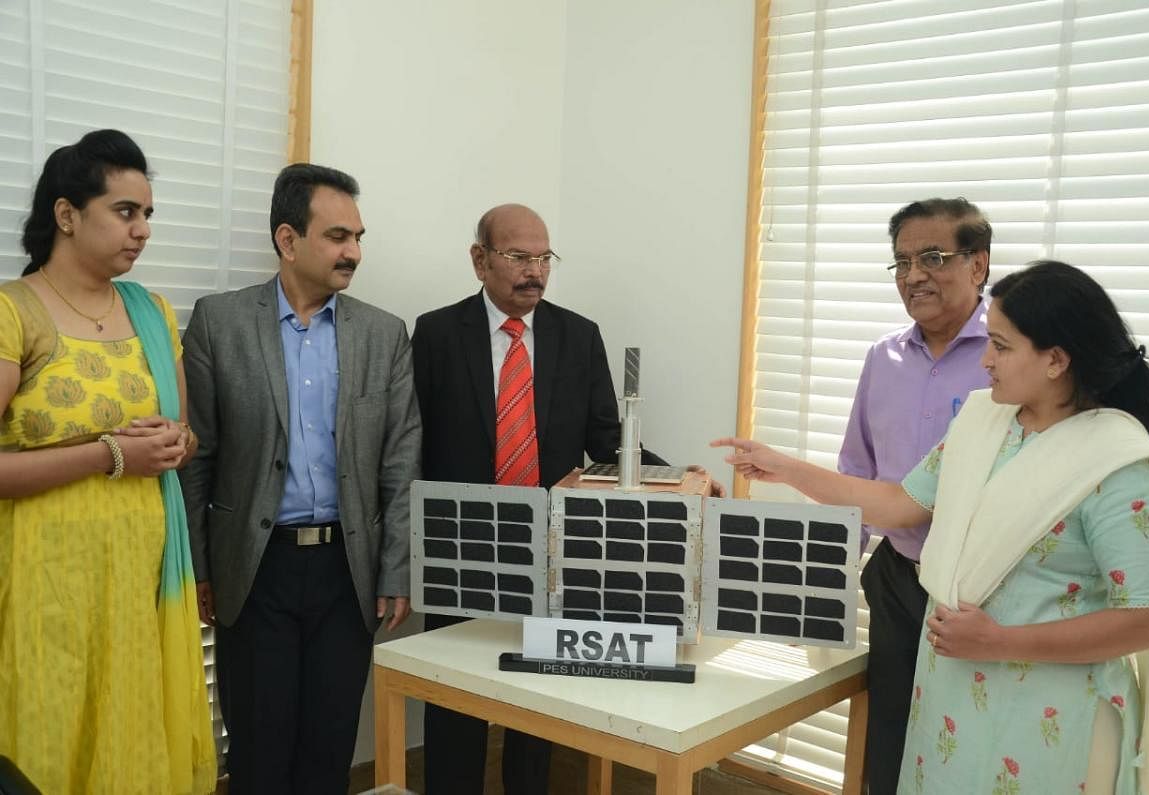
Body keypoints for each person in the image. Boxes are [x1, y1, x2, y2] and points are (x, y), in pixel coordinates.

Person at [715, 261, 1149, 794]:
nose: (985, 361)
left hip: (1052, 715)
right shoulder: (984, 422)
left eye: (1002, 347)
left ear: (1056, 359)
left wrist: (1002, 641)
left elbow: (1147, 622)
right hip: (952, 692)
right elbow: (899, 504)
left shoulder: (1121, 467)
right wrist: (785, 468)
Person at [414, 203, 695, 794]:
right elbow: (413, 444)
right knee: (455, 707)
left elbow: (605, 442)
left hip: (553, 554)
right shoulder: (437, 333)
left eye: (544, 258)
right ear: (480, 260)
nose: (534, 270)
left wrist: (678, 482)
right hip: (462, 549)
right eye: (518, 256)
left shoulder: (577, 334)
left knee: (540, 707)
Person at [179, 163, 422, 794]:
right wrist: (201, 568)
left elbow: (400, 464)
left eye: (359, 237)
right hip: (256, 571)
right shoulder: (220, 322)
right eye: (339, 236)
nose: (354, 253)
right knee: (260, 751)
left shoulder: (383, 334)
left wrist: (395, 569)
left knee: (329, 746)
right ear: (289, 241)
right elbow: (196, 457)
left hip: (348, 572)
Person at [0, 129, 216, 794]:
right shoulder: (15, 312)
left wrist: (176, 443)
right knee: (48, 738)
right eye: (126, 211)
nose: (142, 229)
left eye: (148, 214)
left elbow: (184, 436)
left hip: (139, 580)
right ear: (67, 214)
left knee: (130, 738)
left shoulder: (151, 310)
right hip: (44, 583)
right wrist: (111, 453)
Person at [839, 197, 993, 792]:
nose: (913, 275)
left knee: (969, 750)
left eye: (933, 257)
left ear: (978, 264)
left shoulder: (1011, 355)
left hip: (980, 590)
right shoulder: (884, 358)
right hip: (899, 578)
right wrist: (827, 572)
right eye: (902, 261)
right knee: (893, 744)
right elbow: (857, 469)